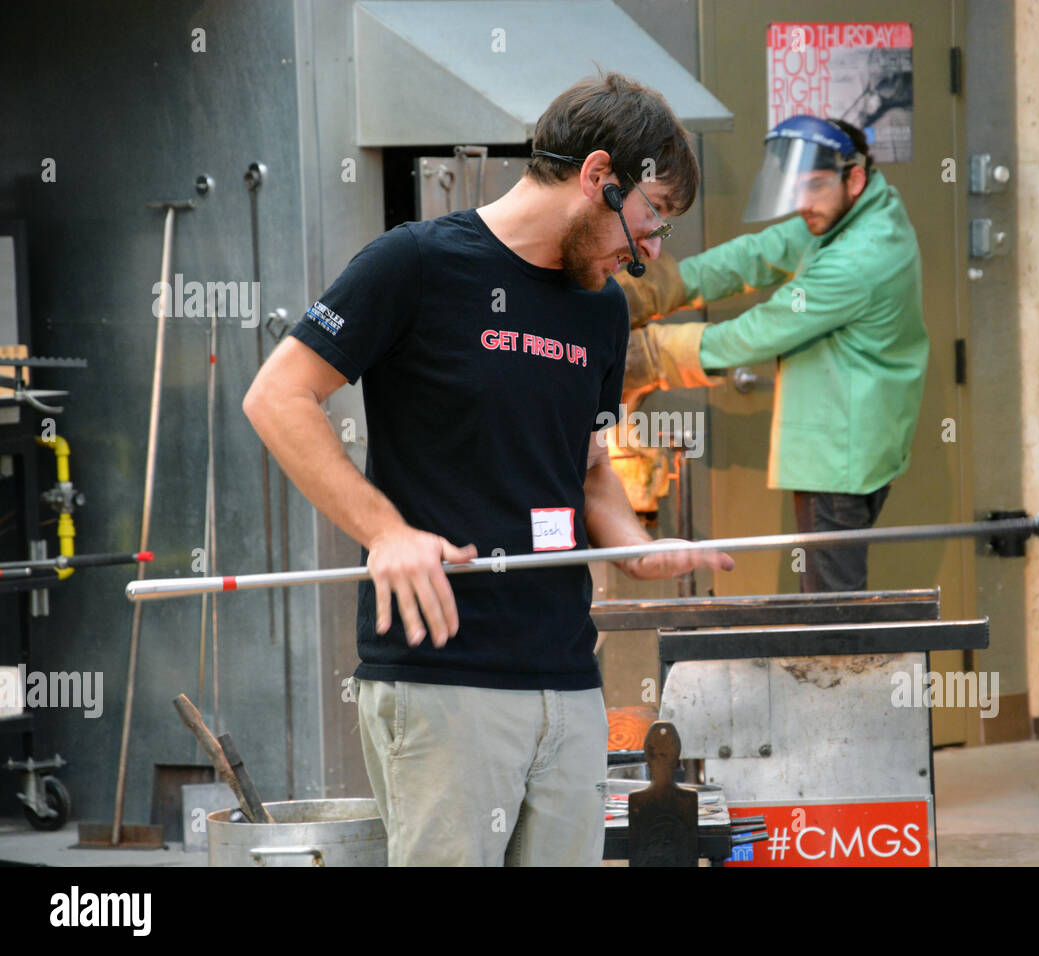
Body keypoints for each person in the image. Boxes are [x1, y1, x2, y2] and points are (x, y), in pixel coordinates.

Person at [242, 72, 732, 866]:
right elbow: (277, 397)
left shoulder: (600, 307)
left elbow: (588, 467)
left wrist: (634, 547)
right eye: (653, 220)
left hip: (570, 678)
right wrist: (386, 532)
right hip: (444, 678)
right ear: (599, 177)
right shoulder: (418, 264)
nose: (649, 254)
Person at [616, 115, 928, 592]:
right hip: (847, 441)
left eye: (815, 188)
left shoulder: (862, 257)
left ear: (855, 177)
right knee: (827, 595)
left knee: (832, 609)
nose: (804, 205)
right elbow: (757, 255)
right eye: (796, 190)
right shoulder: (856, 209)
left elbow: (761, 331)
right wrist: (658, 288)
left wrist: (651, 356)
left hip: (840, 454)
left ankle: (838, 666)